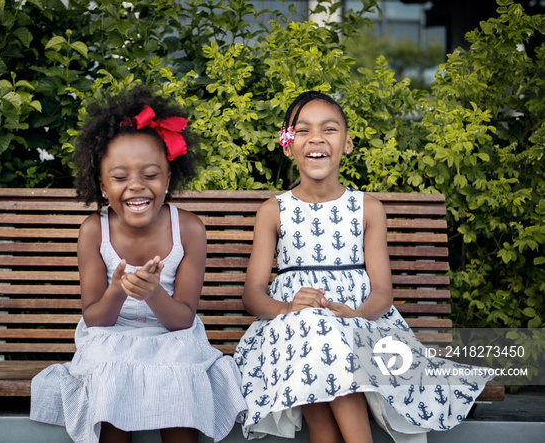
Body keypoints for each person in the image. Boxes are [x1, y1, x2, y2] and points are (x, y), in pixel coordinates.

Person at [233, 91, 491, 443]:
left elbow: (383, 292)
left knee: (332, 338)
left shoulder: (367, 208)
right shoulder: (273, 211)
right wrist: (288, 308)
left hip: (361, 325)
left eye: (329, 129)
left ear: (348, 143)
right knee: (313, 326)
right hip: (288, 333)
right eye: (304, 131)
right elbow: (252, 294)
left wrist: (355, 317)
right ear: (288, 146)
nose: (317, 138)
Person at [30, 85, 246, 443]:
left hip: (172, 338)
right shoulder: (92, 232)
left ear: (168, 178)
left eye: (150, 174)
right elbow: (95, 319)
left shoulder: (189, 229)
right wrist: (118, 289)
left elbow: (182, 320)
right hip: (111, 338)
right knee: (113, 371)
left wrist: (153, 292)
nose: (136, 187)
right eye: (119, 177)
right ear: (101, 184)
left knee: (178, 372)